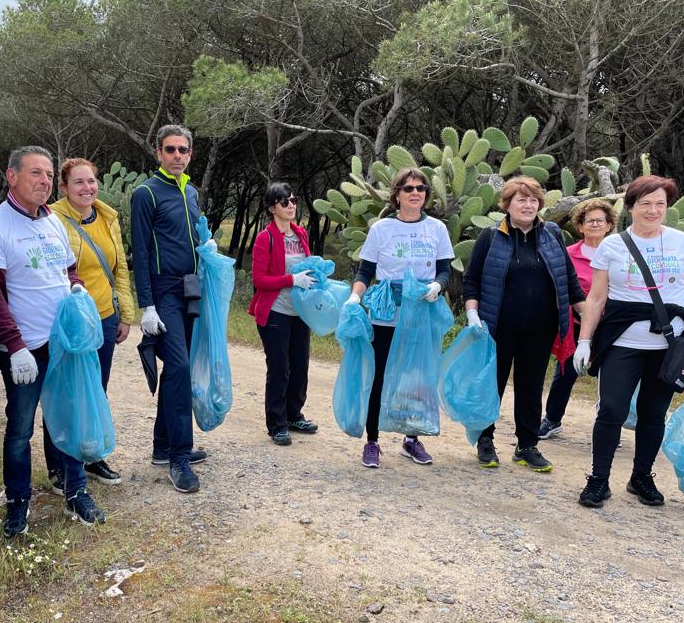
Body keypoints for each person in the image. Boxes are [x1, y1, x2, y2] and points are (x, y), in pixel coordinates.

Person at [573, 175, 684, 508]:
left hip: (669, 346)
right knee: (610, 410)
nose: (653, 211)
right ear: (630, 207)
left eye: (660, 204)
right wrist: (584, 341)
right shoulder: (612, 246)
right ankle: (599, 480)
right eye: (645, 204)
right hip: (623, 343)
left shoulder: (682, 242)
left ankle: (641, 477)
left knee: (654, 414)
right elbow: (597, 298)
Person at [0, 145, 104, 536]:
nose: (44, 181)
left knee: (66, 419)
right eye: (35, 173)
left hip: (62, 343)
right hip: (25, 349)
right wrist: (13, 345)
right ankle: (17, 503)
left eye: (48, 174)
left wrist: (78, 288)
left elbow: (67, 269)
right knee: (20, 430)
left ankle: (74, 489)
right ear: (11, 176)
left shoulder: (52, 221)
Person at [462, 176, 585, 472]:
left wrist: (591, 320)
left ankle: (527, 445)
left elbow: (569, 280)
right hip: (498, 327)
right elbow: (471, 280)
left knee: (531, 388)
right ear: (507, 205)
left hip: (540, 330)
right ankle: (486, 441)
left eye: (533, 200)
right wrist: (472, 315)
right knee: (493, 385)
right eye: (521, 199)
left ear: (539, 204)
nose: (528, 205)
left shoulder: (553, 234)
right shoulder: (491, 237)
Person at [344, 168, 453, 469]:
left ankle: (411, 439)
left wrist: (438, 286)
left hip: (421, 314)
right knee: (380, 377)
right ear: (396, 195)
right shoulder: (382, 229)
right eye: (408, 188)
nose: (415, 192)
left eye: (420, 188)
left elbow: (445, 270)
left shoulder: (437, 229)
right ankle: (372, 441)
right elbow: (365, 271)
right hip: (386, 313)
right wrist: (355, 297)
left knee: (416, 379)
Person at [130, 124, 211, 493]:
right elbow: (142, 252)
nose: (177, 155)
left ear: (190, 153)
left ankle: (163, 446)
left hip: (190, 289)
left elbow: (195, 239)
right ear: (158, 153)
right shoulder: (146, 193)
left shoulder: (191, 192)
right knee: (177, 366)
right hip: (162, 291)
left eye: (183, 150)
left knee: (180, 370)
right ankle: (179, 456)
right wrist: (146, 305)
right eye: (170, 150)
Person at [49, 157, 135, 485]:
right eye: (79, 182)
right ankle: (59, 466)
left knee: (96, 391)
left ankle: (93, 456)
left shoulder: (107, 216)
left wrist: (125, 313)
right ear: (64, 187)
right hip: (72, 323)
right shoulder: (54, 219)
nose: (87, 188)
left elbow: (119, 269)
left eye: (91, 181)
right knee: (67, 392)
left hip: (105, 317)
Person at [537, 199, 617, 439]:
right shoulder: (568, 255)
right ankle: (552, 419)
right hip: (576, 324)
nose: (594, 224)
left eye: (599, 220)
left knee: (613, 377)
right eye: (588, 220)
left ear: (609, 225)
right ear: (580, 227)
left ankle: (608, 426)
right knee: (567, 371)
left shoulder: (620, 254)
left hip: (612, 326)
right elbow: (563, 287)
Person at [248, 182, 318, 446]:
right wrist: (291, 279)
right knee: (279, 368)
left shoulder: (301, 234)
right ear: (271, 208)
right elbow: (260, 280)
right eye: (284, 202)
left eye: (294, 200)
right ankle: (276, 423)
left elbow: (306, 268)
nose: (291, 206)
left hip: (300, 312)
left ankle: (293, 414)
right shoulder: (265, 238)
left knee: (300, 365)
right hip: (275, 311)